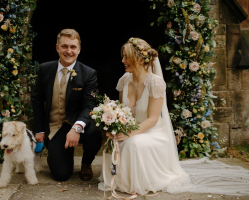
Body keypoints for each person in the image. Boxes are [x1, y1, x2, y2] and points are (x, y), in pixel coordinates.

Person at [98, 37, 249, 197]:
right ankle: (119, 180)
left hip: (152, 131)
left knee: (133, 144)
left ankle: (139, 183)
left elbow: (152, 119)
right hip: (132, 128)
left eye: (126, 57)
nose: (123, 60)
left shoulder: (155, 83)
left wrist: (129, 134)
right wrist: (116, 128)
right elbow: (123, 113)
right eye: (123, 56)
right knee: (113, 141)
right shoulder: (124, 81)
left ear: (141, 59)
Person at [31, 29, 102, 181]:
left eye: (73, 47)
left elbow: (89, 105)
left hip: (78, 123)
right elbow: (37, 99)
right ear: (57, 48)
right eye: (64, 46)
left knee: (95, 131)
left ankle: (86, 163)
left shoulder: (89, 73)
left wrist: (77, 127)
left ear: (79, 50)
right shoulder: (45, 69)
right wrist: (39, 129)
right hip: (56, 125)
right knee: (61, 175)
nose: (68, 51)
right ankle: (57, 154)